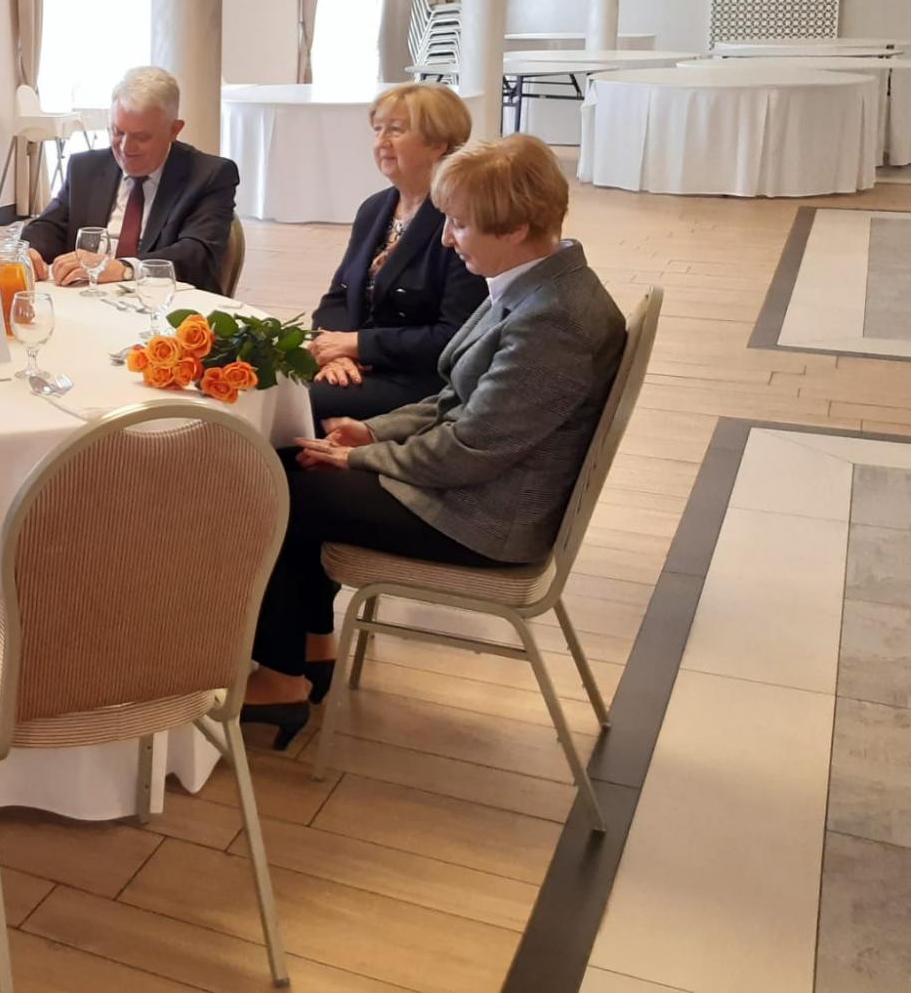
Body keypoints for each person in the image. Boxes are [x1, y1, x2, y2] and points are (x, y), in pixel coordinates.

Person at [242, 134, 626, 746]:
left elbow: (470, 449)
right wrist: (373, 430)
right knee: (292, 462)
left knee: (272, 486)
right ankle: (309, 649)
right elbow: (453, 397)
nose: (446, 239)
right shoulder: (532, 281)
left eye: (460, 224)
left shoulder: (555, 318)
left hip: (484, 516)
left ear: (516, 227)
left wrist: (360, 457)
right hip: (479, 484)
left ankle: (282, 676)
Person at [309, 83, 486, 426]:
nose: (382, 142)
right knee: (265, 373)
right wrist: (335, 353)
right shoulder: (375, 208)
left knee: (296, 397)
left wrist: (358, 345)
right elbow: (338, 297)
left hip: (421, 380)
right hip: (361, 364)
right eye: (378, 130)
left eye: (396, 130)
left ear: (438, 143)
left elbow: (455, 334)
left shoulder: (461, 218)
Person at [22, 66, 239, 296]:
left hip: (167, 302)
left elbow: (196, 255)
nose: (126, 148)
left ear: (174, 130)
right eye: (118, 132)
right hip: (88, 299)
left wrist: (125, 269)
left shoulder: (208, 175)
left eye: (141, 137)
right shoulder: (85, 168)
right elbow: (49, 227)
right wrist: (29, 250)